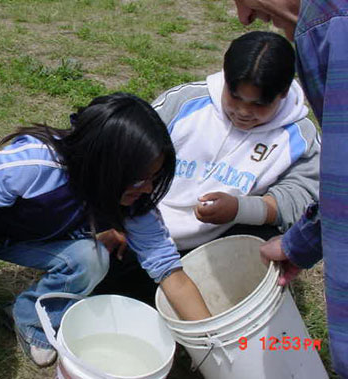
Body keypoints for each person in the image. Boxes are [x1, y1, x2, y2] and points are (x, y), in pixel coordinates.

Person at [0, 92, 211, 368]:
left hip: (39, 237)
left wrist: (213, 344)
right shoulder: (35, 163)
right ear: (103, 165)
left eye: (154, 177)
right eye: (138, 179)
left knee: (94, 258)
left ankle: (29, 317)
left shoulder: (137, 201)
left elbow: (171, 273)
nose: (148, 188)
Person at [93, 31, 319, 306]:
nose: (243, 112)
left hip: (215, 242)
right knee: (103, 287)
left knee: (262, 244)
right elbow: (129, 155)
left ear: (283, 95)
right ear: (224, 79)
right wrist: (122, 221)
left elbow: (299, 199)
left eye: (259, 104)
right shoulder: (184, 103)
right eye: (235, 97)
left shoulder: (300, 137)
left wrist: (239, 209)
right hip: (142, 223)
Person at [233, 0, 348, 377]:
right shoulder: (188, 107)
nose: (243, 17)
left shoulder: (336, 28)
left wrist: (242, 210)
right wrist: (303, 242)